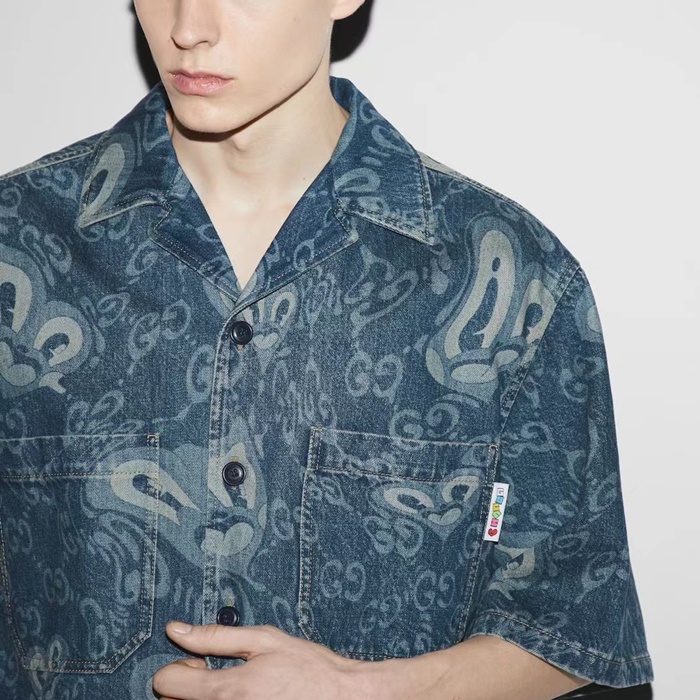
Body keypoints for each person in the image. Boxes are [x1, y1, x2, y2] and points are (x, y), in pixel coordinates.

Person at [0, 1, 654, 698]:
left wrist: (363, 690)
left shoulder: (508, 274)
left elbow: (575, 631)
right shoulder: (18, 245)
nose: (188, 28)